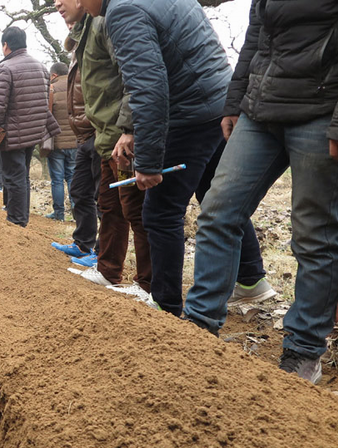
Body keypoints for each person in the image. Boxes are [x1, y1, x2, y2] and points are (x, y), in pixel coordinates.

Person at [184, 0, 338, 384]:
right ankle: (199, 326)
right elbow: (257, 34)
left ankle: (303, 349)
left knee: (314, 233)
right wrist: (235, 100)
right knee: (217, 211)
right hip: (260, 108)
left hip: (321, 107)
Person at [80, 0, 241, 316]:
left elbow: (149, 86)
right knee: (217, 200)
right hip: (218, 100)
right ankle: (252, 280)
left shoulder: (123, 11)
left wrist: (149, 163)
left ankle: (165, 306)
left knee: (161, 211)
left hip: (190, 112)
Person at [53, 0, 151, 299]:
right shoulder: (84, 31)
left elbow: (132, 75)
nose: (56, 3)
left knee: (135, 209)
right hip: (104, 135)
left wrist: (129, 128)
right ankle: (108, 270)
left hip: (121, 135)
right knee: (109, 205)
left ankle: (149, 284)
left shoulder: (106, 23)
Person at [0, 26, 61, 227]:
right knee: (22, 176)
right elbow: (44, 103)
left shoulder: (5, 68)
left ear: (5, 45)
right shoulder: (41, 67)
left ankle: (16, 221)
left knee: (13, 177)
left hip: (12, 133)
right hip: (33, 132)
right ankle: (20, 218)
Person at [44, 62, 77, 222]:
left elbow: (45, 115)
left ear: (54, 75)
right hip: (75, 141)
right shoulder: (77, 86)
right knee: (72, 178)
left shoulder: (51, 90)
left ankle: (59, 214)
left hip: (56, 142)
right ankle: (77, 212)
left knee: (57, 180)